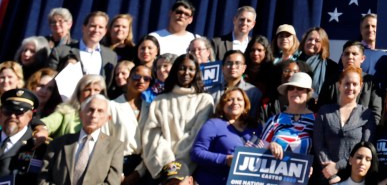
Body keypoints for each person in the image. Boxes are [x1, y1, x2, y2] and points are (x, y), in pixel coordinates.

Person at [136, 54, 214, 183]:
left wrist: (181, 168)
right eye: (182, 68)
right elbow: (152, 135)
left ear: (197, 72)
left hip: (191, 172)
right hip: (163, 170)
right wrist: (169, 166)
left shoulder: (205, 100)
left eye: (191, 69)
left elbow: (197, 135)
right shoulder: (160, 100)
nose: (186, 73)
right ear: (175, 71)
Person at [39, 93, 124, 185]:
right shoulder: (58, 143)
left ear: (108, 118)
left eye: (100, 111)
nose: (94, 115)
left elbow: (113, 182)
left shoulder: (114, 147)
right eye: (90, 110)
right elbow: (43, 177)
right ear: (80, 114)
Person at [315, 68, 376, 185]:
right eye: (347, 83)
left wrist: (338, 166)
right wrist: (330, 170)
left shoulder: (367, 115)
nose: (351, 88)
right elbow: (318, 144)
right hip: (325, 175)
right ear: (339, 85)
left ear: (360, 87)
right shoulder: (324, 111)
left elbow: (365, 148)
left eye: (355, 84)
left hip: (353, 178)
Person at [190, 87, 260, 185]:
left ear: (245, 104)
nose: (235, 102)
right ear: (222, 104)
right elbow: (196, 153)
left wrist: (272, 145)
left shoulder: (255, 127)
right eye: (230, 99)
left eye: (239, 99)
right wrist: (226, 159)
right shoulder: (213, 124)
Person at [258, 71, 315, 159]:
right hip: (271, 170)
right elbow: (258, 147)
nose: (295, 91)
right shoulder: (275, 120)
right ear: (287, 92)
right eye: (291, 88)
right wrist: (270, 145)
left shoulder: (316, 119)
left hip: (305, 171)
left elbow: (321, 149)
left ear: (308, 93)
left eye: (300, 88)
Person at [46, 12, 118, 81]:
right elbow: (49, 79)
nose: (96, 30)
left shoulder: (111, 56)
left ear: (105, 31)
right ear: (84, 28)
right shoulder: (60, 51)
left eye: (100, 27)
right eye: (93, 26)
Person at [0, 88, 48, 185]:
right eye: (8, 111)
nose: (12, 116)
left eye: (19, 112)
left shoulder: (40, 147)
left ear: (30, 116)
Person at [41, 74, 107, 139]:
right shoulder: (66, 113)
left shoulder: (108, 117)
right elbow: (44, 124)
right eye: (87, 90)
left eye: (96, 90)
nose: (92, 94)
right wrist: (42, 130)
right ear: (79, 94)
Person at [300, 27, 338, 99]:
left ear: (323, 44)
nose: (312, 42)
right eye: (310, 39)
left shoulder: (331, 67)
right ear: (304, 41)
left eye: (317, 41)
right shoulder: (294, 63)